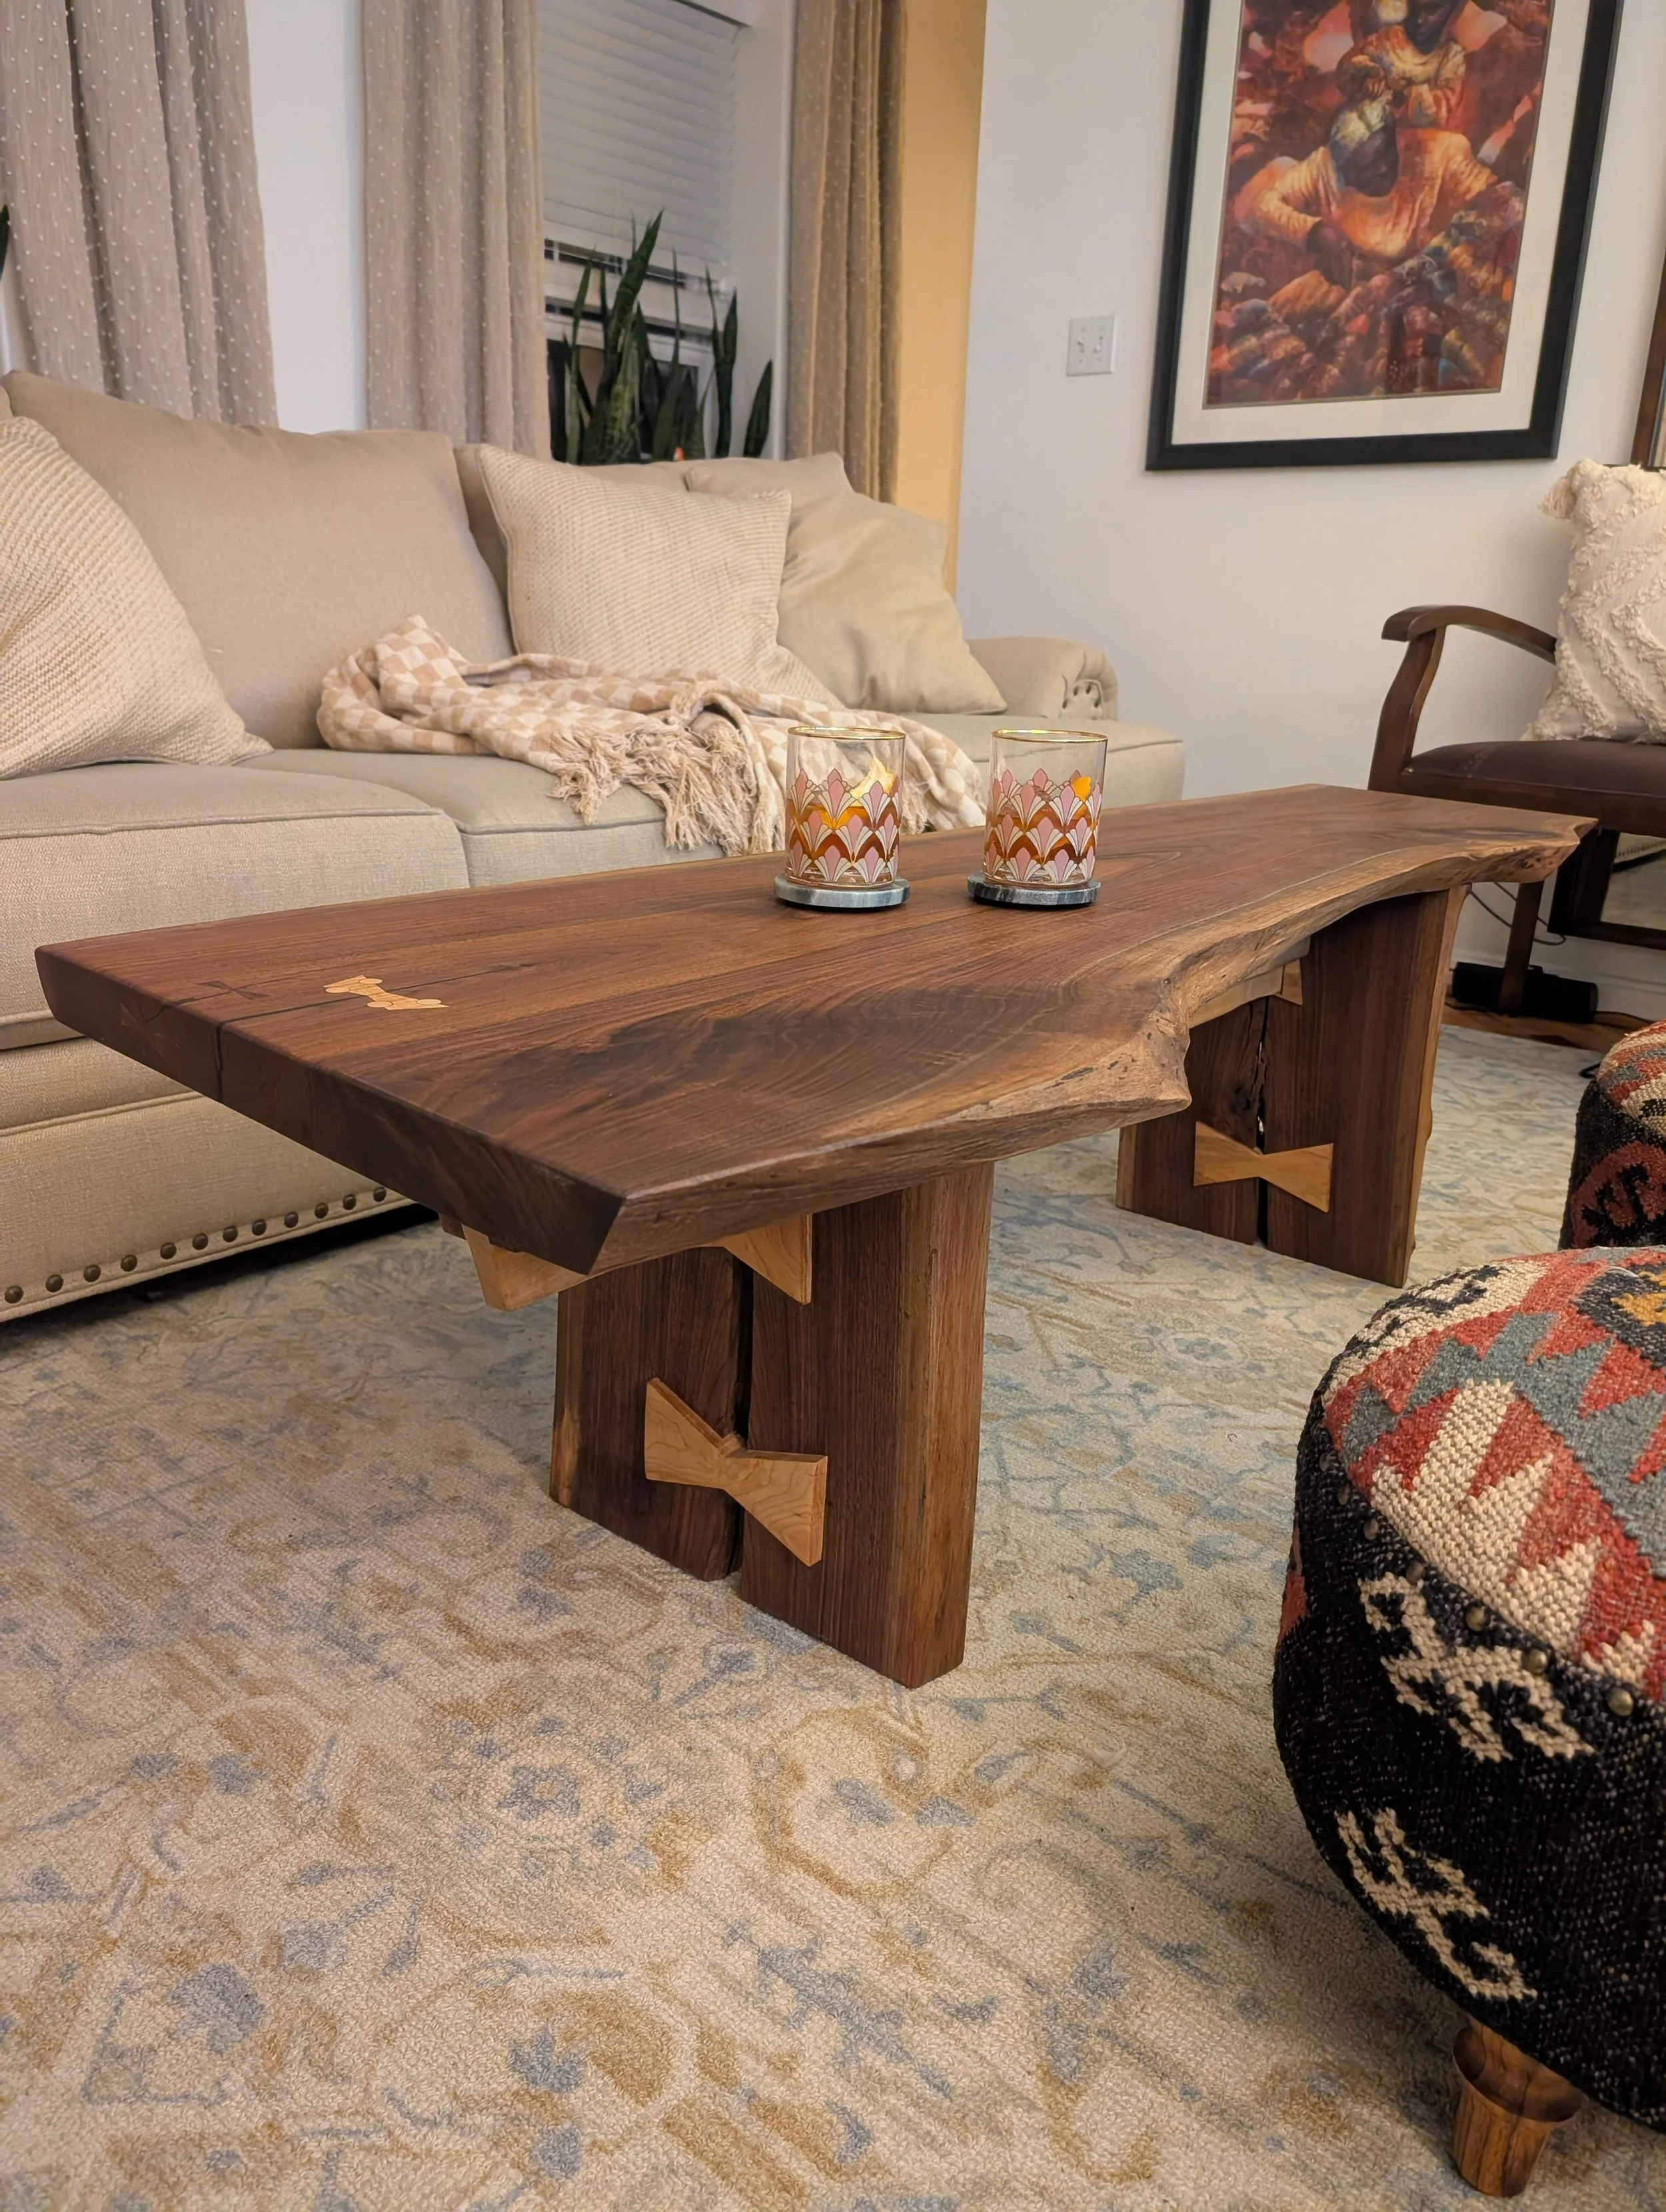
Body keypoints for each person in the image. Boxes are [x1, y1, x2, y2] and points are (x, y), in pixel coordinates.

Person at [1247, 97, 1503, 292]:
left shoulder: (1442, 151)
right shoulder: (1323, 167)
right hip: (1365, 297)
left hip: (1439, 285)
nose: (1382, 168)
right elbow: (1265, 206)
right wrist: (1313, 232)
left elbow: (1497, 203)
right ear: (1340, 165)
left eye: (1386, 153)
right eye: (1365, 167)